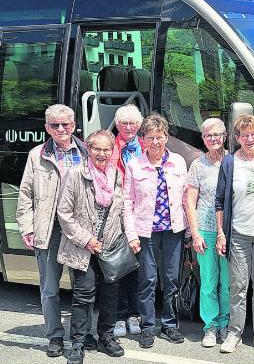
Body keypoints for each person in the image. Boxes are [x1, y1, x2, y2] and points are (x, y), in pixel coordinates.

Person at [16, 104, 88, 358]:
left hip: (79, 230)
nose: (60, 129)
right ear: (47, 128)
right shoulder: (37, 155)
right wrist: (26, 227)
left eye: (65, 124)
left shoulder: (86, 151)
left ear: (74, 125)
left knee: (84, 288)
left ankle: (83, 334)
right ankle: (55, 335)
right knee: (49, 289)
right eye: (54, 125)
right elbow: (25, 194)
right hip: (48, 230)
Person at [57, 130, 125, 364]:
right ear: (88, 149)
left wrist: (126, 237)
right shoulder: (75, 175)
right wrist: (86, 239)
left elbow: (122, 209)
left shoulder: (116, 175)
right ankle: (78, 342)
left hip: (110, 247)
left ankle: (106, 336)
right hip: (83, 247)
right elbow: (64, 214)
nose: (102, 154)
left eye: (107, 149)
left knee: (110, 293)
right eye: (97, 149)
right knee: (83, 295)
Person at [215, 114, 254, 354]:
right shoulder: (230, 162)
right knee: (238, 286)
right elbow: (220, 202)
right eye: (244, 135)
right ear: (237, 137)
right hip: (239, 234)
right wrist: (221, 234)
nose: (249, 138)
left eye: (253, 134)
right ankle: (235, 333)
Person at [123, 113, 188, 348]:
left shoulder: (178, 162)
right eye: (150, 137)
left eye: (159, 137)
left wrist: (190, 231)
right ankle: (148, 327)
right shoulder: (134, 165)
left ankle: (170, 324)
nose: (155, 142)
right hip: (146, 232)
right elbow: (126, 203)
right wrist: (131, 235)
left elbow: (185, 199)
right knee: (148, 280)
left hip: (174, 230)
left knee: (171, 279)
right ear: (143, 140)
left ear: (166, 137)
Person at [183, 118, 230, 348]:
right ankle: (210, 326)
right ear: (203, 139)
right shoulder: (197, 166)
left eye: (217, 135)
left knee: (228, 282)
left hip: (230, 231)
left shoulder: (233, 161)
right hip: (205, 229)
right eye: (208, 135)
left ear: (225, 136)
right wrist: (195, 234)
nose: (213, 139)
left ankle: (226, 323)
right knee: (209, 281)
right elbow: (190, 202)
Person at [110, 104, 145, 338]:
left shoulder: (146, 146)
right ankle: (120, 316)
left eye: (133, 123)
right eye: (124, 123)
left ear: (139, 125)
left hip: (140, 214)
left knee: (137, 269)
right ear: (117, 125)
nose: (129, 127)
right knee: (119, 268)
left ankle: (134, 314)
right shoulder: (110, 147)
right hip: (117, 212)